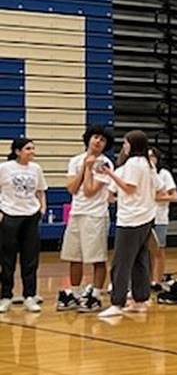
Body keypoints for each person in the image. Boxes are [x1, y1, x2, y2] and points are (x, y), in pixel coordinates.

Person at [98, 130, 157, 318]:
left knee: (121, 262)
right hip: (147, 216)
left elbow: (129, 188)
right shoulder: (149, 164)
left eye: (126, 143)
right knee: (140, 261)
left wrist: (110, 174)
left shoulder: (132, 164)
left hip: (131, 219)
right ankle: (140, 299)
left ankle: (117, 302)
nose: (124, 146)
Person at [58, 126, 111, 310]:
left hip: (95, 214)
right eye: (96, 137)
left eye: (102, 140)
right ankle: (75, 292)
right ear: (88, 139)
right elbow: (72, 188)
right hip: (77, 213)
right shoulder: (75, 160)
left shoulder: (105, 164)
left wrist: (90, 168)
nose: (98, 141)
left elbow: (89, 191)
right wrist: (83, 167)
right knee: (74, 256)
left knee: (97, 257)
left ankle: (95, 295)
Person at [0, 136, 47, 312]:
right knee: (7, 259)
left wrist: (42, 209)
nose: (32, 152)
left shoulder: (36, 168)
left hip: (31, 216)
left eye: (33, 148)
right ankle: (6, 296)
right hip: (10, 215)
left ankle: (29, 295)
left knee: (30, 259)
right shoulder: (4, 168)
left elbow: (41, 190)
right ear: (17, 151)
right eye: (28, 149)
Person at [148, 148, 177, 283]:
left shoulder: (164, 174)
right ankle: (146, 281)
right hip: (144, 217)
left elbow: (174, 196)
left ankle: (157, 280)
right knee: (145, 252)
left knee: (159, 250)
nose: (150, 159)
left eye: (152, 156)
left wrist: (155, 198)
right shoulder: (142, 173)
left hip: (160, 217)